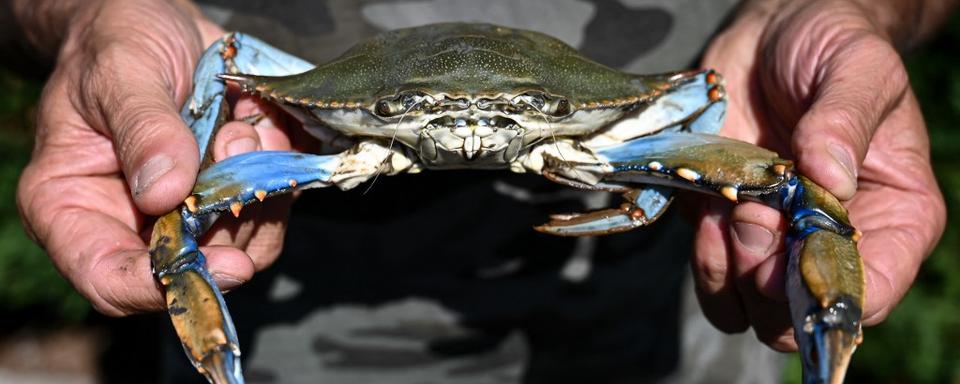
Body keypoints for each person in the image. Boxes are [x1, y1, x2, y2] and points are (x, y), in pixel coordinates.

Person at [7, 0, 951, 382]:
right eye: (423, 114)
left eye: (511, 115)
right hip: (298, 317)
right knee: (181, 223)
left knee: (793, 188)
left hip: (664, 321)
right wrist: (90, 17)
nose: (465, 132)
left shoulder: (642, 116)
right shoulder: (289, 105)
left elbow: (708, 111)